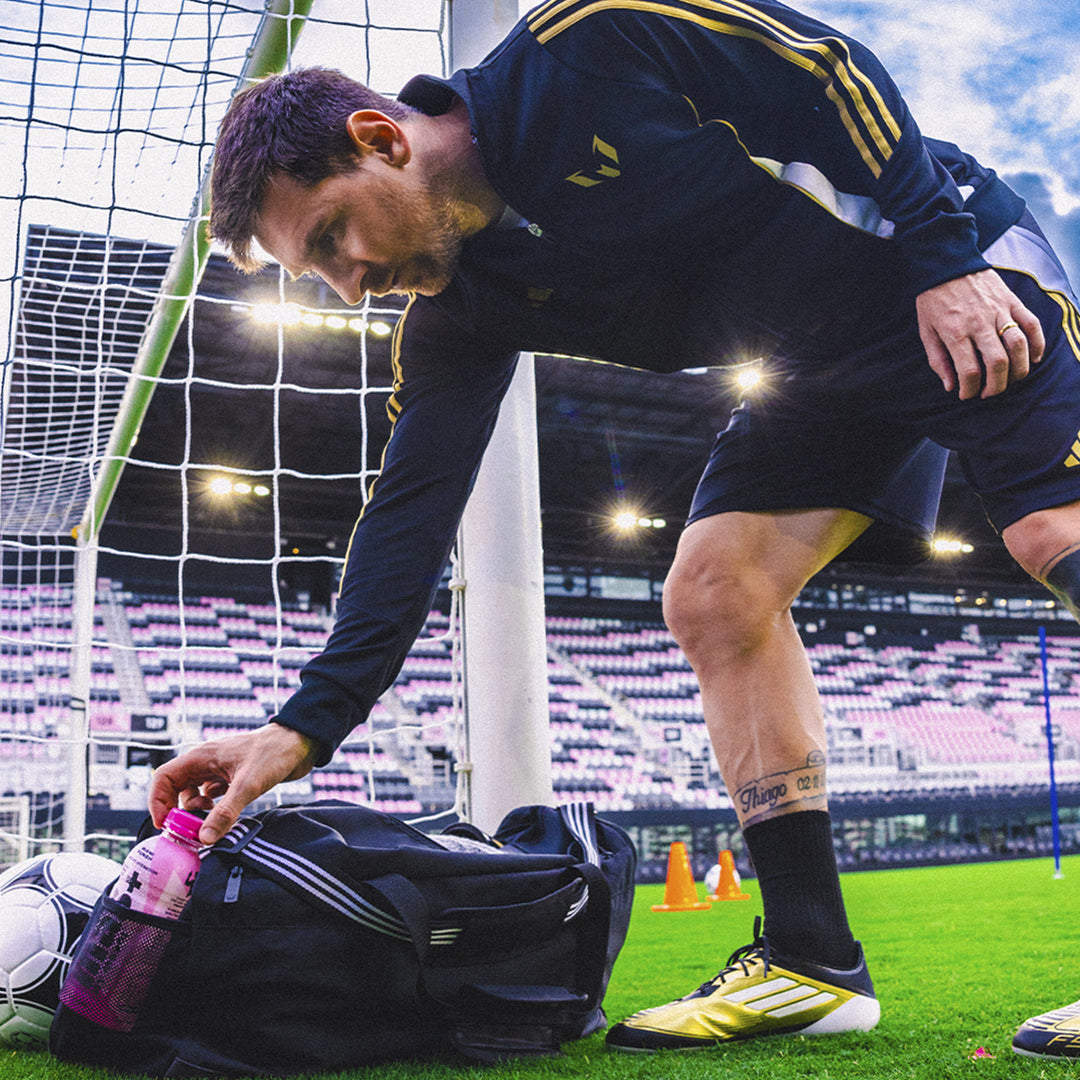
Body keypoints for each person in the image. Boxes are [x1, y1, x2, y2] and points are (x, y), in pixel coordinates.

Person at [149, 0, 1080, 1052]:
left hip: (936, 263)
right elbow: (407, 523)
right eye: (317, 274)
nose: (349, 285)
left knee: (1054, 535)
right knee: (716, 594)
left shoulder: (585, 44)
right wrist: (299, 729)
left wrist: (944, 255)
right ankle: (813, 960)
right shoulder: (459, 316)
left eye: (332, 237)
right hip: (823, 373)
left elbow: (828, 67)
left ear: (381, 138)